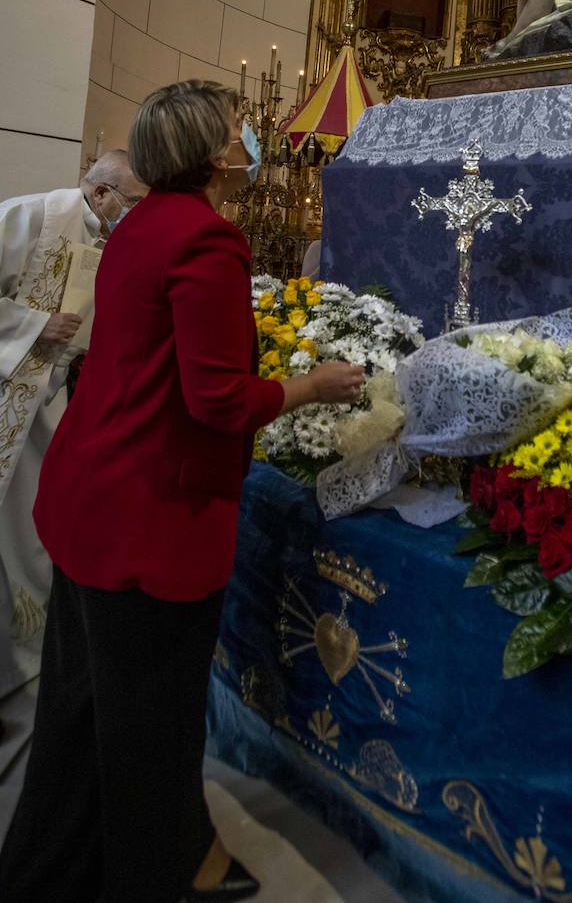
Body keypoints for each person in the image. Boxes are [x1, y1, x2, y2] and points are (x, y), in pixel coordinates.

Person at [0, 81, 364, 903]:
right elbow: (218, 401)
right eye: (240, 132)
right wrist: (311, 385)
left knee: (75, 716)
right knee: (151, 734)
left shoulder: (133, 225)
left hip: (88, 502)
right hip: (149, 518)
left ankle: (46, 873)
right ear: (213, 153)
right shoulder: (208, 241)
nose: (248, 143)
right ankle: (153, 875)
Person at [0, 150, 147, 702]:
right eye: (131, 202)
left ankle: (22, 659)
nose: (133, 214)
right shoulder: (30, 217)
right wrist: (34, 325)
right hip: (8, 397)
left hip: (53, 409)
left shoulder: (114, 241)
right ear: (102, 192)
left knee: (33, 540)